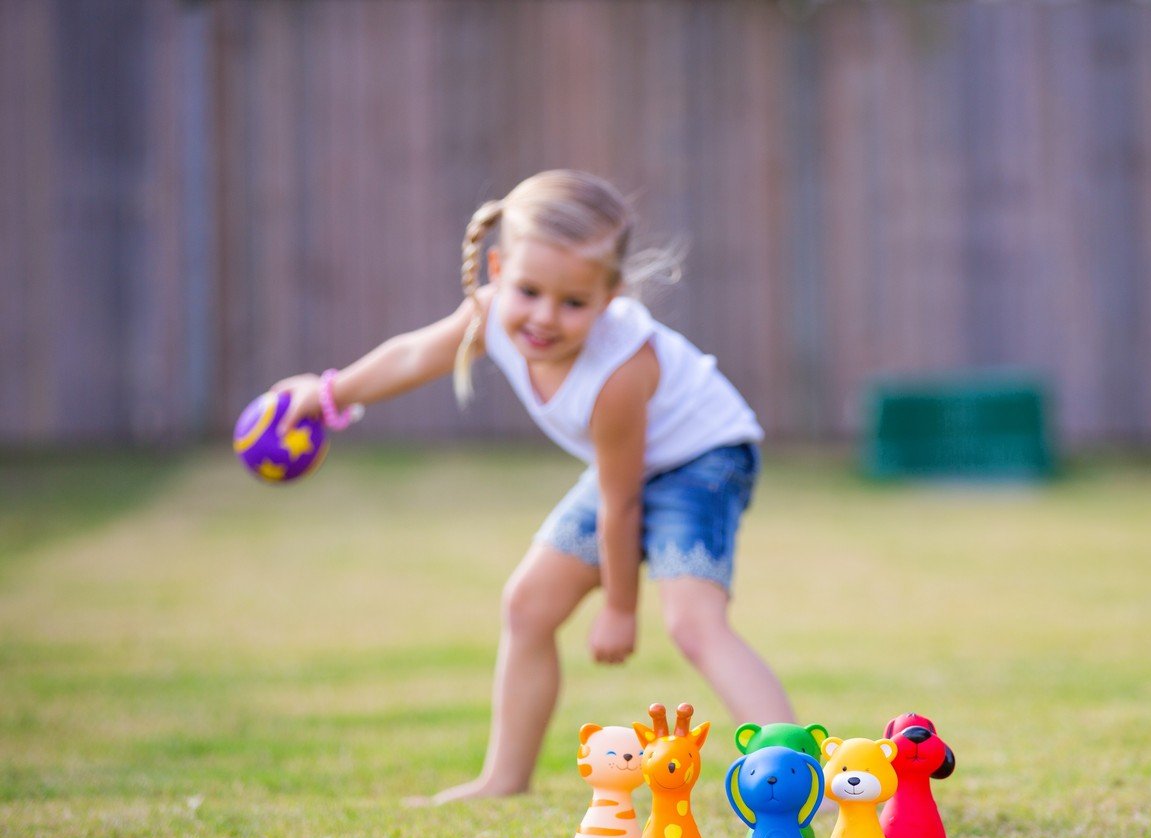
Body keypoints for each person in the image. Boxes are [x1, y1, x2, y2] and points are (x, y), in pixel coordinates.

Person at [269, 170, 796, 802]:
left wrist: (621, 610)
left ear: (608, 299)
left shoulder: (620, 373)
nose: (545, 318)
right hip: (626, 473)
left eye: (573, 303)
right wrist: (328, 395)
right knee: (527, 605)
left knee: (694, 624)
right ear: (496, 270)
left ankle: (794, 769)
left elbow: (623, 502)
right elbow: (412, 354)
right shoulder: (490, 314)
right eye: (529, 291)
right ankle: (502, 781)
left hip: (703, 462)